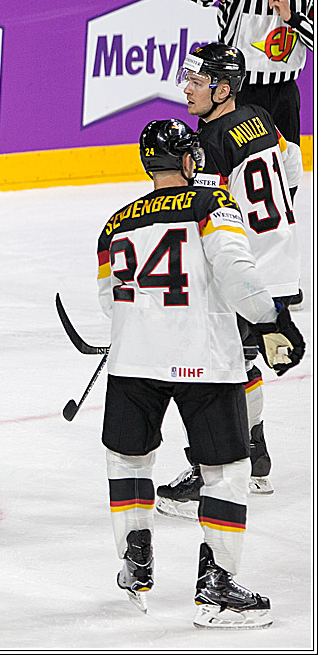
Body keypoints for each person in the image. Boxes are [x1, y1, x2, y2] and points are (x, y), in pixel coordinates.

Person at [96, 118, 304, 627]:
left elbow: (108, 302)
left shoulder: (115, 223)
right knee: (227, 470)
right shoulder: (213, 207)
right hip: (205, 360)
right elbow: (238, 275)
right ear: (191, 161)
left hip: (132, 363)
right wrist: (274, 318)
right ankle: (216, 588)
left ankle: (135, 559)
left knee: (128, 461)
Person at [155, 43, 303, 518]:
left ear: (222, 89)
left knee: (215, 371)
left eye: (196, 83)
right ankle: (254, 455)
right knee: (240, 364)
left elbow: (204, 218)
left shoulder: (211, 143)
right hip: (278, 262)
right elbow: (293, 165)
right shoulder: (258, 115)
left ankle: (215, 466)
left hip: (245, 275)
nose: (186, 89)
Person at [161, 0, 313, 150]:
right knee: (218, 157)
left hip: (284, 93)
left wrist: (292, 18)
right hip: (237, 91)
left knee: (286, 163)